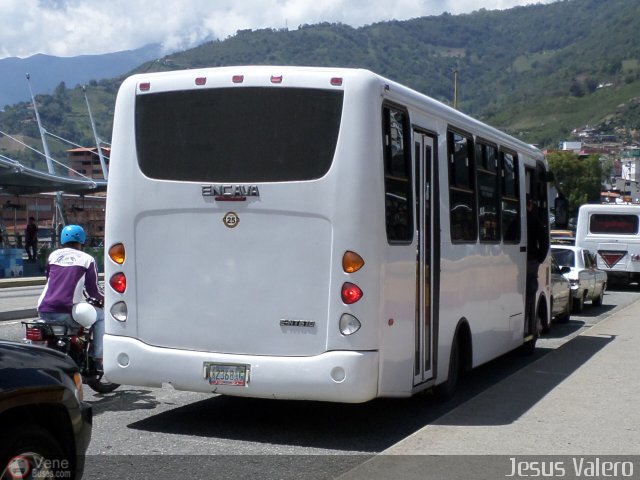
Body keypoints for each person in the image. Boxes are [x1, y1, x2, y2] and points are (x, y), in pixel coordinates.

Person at [37, 224, 105, 370]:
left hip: (43, 309)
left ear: (62, 240)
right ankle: (98, 358)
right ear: (82, 240)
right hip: (65, 311)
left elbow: (48, 278)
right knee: (101, 317)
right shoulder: (87, 259)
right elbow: (94, 291)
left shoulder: (53, 256)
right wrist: (105, 298)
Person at [526, 196, 550, 333]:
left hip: (520, 262)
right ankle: (528, 318)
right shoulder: (535, 221)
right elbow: (545, 242)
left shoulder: (516, 220)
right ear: (530, 205)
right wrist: (539, 259)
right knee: (530, 289)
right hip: (531, 261)